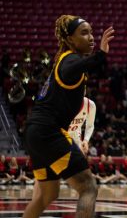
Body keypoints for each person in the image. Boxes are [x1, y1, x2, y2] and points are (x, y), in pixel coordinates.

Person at [22, 15, 114, 218]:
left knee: (47, 195)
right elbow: (76, 67)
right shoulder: (70, 60)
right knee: (88, 187)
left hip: (34, 132)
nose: (91, 37)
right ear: (70, 39)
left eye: (91, 32)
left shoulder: (63, 60)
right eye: (84, 33)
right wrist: (100, 55)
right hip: (48, 132)